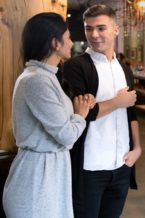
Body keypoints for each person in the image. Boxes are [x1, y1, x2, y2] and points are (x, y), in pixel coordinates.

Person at [2, 12, 93, 218]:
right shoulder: (37, 80)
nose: (71, 42)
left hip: (48, 173)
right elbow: (67, 136)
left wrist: (79, 110)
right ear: (55, 43)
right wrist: (80, 115)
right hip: (36, 179)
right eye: (68, 37)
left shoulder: (46, 77)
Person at [62, 5, 142, 218]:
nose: (94, 35)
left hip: (122, 164)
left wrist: (138, 148)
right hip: (89, 167)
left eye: (101, 28)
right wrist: (117, 102)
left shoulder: (124, 69)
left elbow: (130, 113)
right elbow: (81, 114)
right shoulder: (75, 66)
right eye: (89, 29)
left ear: (116, 29)